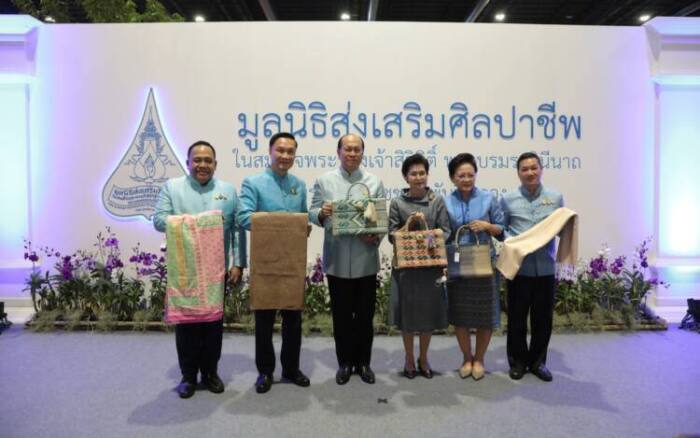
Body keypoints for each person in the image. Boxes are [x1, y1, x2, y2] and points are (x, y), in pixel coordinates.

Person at [153, 140, 245, 399]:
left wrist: (238, 262)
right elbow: (158, 220)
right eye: (197, 160)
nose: (202, 165)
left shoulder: (228, 191)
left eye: (208, 160)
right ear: (188, 163)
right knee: (187, 324)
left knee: (213, 324)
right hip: (186, 269)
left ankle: (210, 373)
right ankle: (188, 376)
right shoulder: (172, 188)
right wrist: (200, 222)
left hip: (216, 270)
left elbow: (237, 229)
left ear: (216, 164)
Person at [237, 132, 311, 394]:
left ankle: (291, 368)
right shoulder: (253, 183)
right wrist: (283, 224)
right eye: (280, 150)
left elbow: (303, 217)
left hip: (292, 261)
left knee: (293, 320)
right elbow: (244, 217)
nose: (285, 156)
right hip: (266, 261)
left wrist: (306, 224)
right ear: (270, 152)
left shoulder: (299, 185)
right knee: (264, 322)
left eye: (290, 151)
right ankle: (265, 372)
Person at [309, 134, 385, 385]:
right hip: (337, 258)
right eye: (348, 149)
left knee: (364, 316)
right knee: (341, 317)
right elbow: (312, 212)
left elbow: (381, 217)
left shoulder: (374, 181)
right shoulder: (324, 180)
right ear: (338, 152)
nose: (352, 153)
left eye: (357, 149)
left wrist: (375, 236)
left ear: (363, 152)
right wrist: (322, 213)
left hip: (365, 258)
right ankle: (344, 363)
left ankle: (363, 363)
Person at [501, 152, 563, 382]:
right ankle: (518, 362)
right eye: (525, 169)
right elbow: (502, 229)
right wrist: (515, 242)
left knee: (543, 319)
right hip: (519, 269)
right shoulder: (508, 199)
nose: (530, 173)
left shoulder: (556, 198)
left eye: (534, 168)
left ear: (541, 169)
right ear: (518, 173)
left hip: (546, 268)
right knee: (516, 318)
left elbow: (561, 227)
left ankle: (538, 363)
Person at [388, 153, 450, 379]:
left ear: (427, 175)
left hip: (430, 267)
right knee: (407, 316)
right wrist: (408, 226)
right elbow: (391, 235)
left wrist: (427, 238)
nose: (418, 177)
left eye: (422, 173)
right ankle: (408, 359)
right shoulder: (397, 203)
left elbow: (446, 231)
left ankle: (423, 358)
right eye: (413, 173)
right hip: (406, 268)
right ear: (406, 177)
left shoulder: (437, 201)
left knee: (427, 315)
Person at [444, 153, 504, 381]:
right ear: (453, 178)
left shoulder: (488, 198)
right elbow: (445, 233)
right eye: (461, 175)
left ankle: (479, 359)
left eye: (470, 174)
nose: (467, 179)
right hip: (458, 262)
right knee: (460, 314)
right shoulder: (446, 201)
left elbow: (502, 230)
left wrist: (488, 226)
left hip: (484, 262)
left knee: (484, 314)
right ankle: (466, 358)